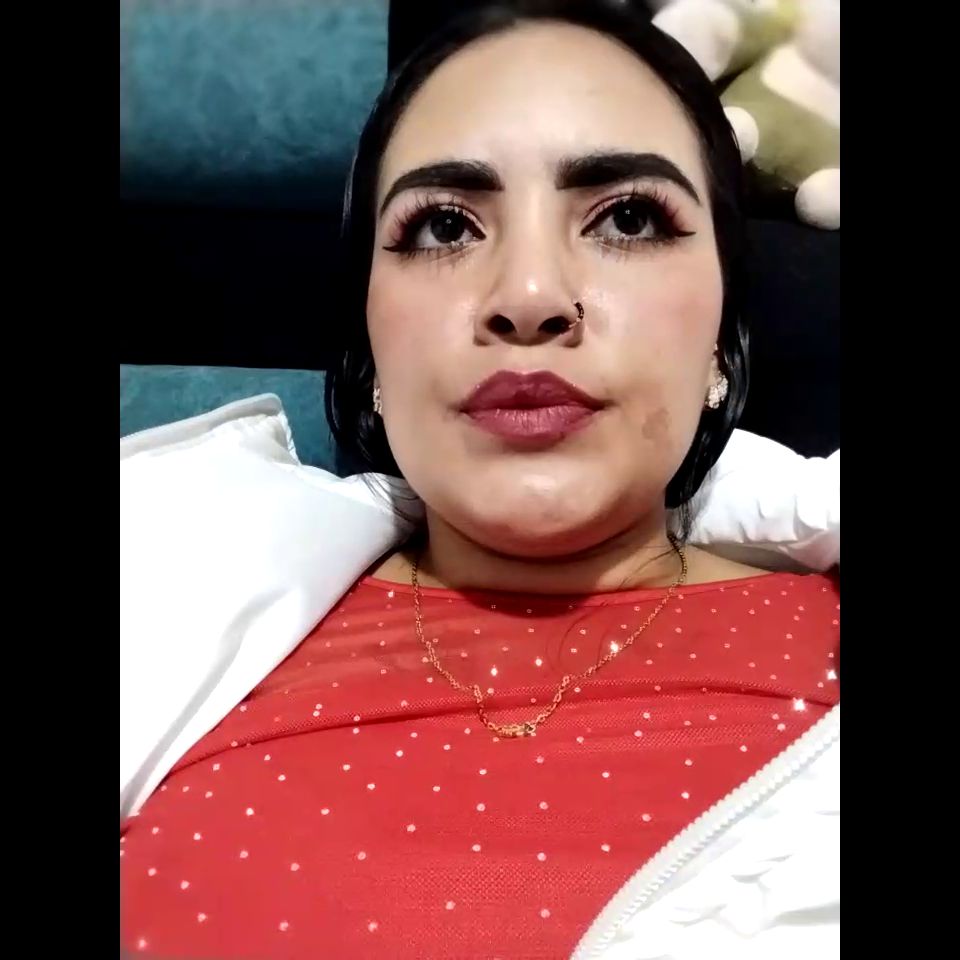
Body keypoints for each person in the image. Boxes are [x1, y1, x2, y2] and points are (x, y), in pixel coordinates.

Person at [120, 2, 839, 957]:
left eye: (627, 218)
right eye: (443, 227)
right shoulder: (163, 599)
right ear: (370, 343)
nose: (528, 297)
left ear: (723, 338)